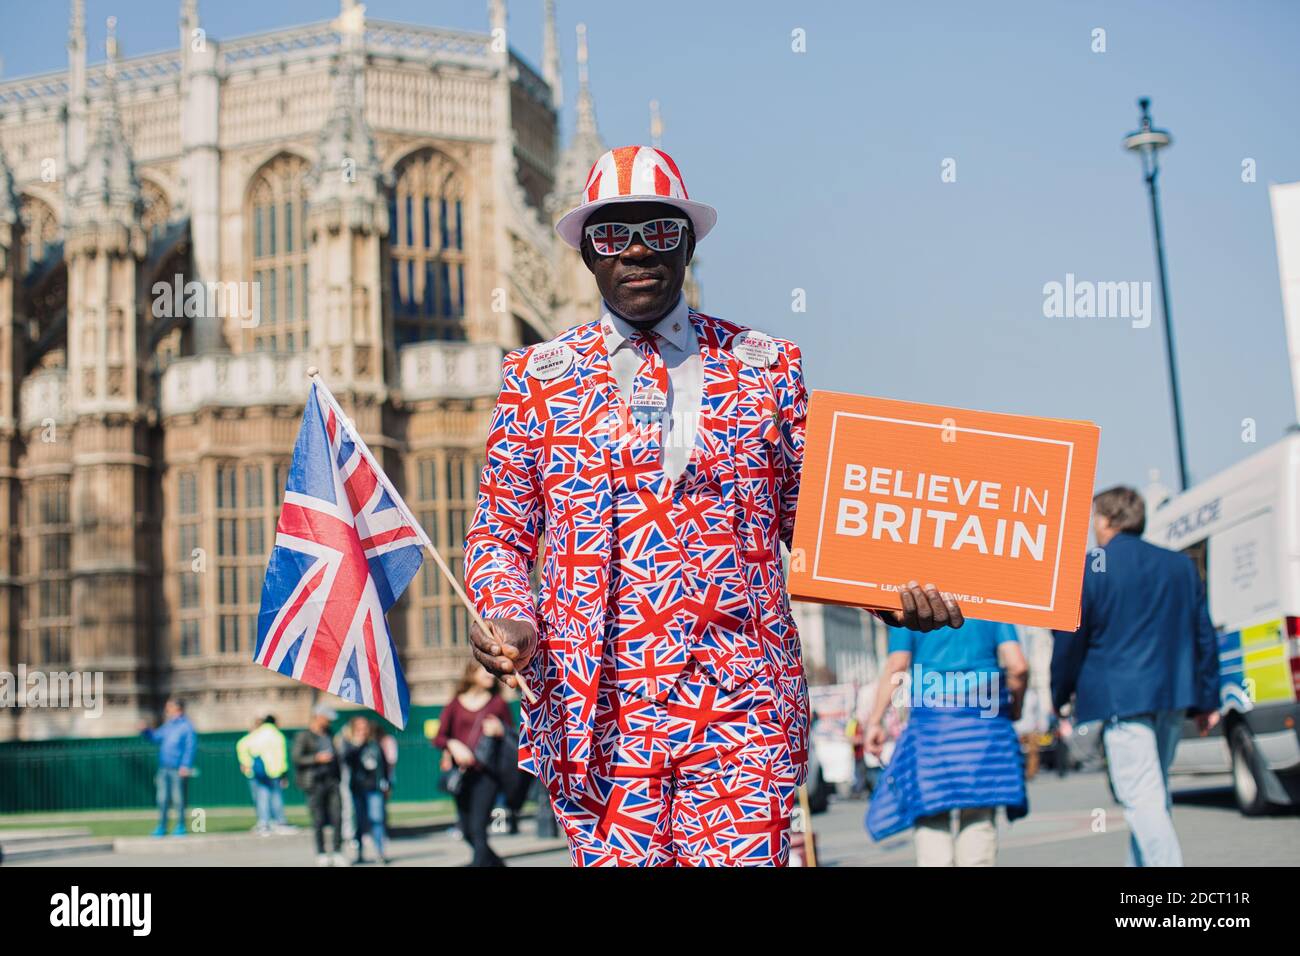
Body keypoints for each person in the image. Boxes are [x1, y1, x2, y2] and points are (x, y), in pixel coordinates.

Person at [463, 144, 961, 867]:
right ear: (585, 255)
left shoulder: (766, 365)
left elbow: (818, 520)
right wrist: (509, 611)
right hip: (598, 709)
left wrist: (892, 589)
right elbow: (501, 532)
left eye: (660, 232)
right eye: (612, 236)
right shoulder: (537, 379)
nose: (637, 252)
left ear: (690, 244)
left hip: (742, 699)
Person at [1051, 486, 1220, 867]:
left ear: (1106, 520)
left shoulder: (1092, 568)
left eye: (1095, 518)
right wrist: (1207, 700)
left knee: (1141, 797)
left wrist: (1059, 692)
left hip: (1121, 701)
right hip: (1175, 696)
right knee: (1153, 796)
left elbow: (1069, 641)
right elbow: (1203, 634)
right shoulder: (1178, 565)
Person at [865, 619, 1029, 866]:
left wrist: (875, 720)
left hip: (932, 726)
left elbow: (897, 664)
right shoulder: (991, 597)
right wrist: (1014, 707)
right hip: (984, 722)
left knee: (931, 810)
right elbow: (1018, 666)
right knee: (978, 812)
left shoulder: (910, 598)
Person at [433, 662, 512, 867]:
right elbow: (439, 737)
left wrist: (500, 730)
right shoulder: (455, 704)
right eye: (486, 670)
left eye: (493, 671)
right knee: (467, 830)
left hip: (487, 775)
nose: (491, 675)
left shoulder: (498, 704)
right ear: (471, 672)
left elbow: (512, 738)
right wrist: (453, 745)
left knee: (478, 829)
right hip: (462, 775)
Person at [293, 703, 346, 867]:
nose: (329, 722)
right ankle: (321, 853)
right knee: (318, 819)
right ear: (318, 717)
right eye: (327, 718)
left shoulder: (331, 735)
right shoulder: (304, 736)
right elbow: (297, 758)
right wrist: (316, 758)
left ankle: (337, 851)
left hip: (332, 781)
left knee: (337, 817)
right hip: (314, 782)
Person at [139, 697, 197, 838]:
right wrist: (146, 731)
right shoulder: (169, 725)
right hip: (164, 768)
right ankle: (162, 827)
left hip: (178, 769)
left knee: (179, 799)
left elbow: (190, 747)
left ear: (178, 708)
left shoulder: (186, 726)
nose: (167, 710)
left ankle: (181, 826)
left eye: (169, 707)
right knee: (162, 799)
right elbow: (156, 738)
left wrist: (185, 765)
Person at [340, 717, 391, 865]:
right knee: (360, 821)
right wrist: (357, 745)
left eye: (365, 728)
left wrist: (387, 784)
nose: (363, 731)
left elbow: (384, 765)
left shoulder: (375, 744)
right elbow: (346, 760)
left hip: (374, 788)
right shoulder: (350, 745)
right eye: (359, 728)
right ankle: (360, 853)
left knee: (377, 819)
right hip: (358, 788)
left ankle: (380, 852)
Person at [236, 714, 292, 835]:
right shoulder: (278, 735)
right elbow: (282, 756)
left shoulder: (256, 735)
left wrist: (246, 763)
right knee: (276, 797)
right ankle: (279, 822)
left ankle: (264, 823)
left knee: (262, 798)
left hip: (259, 772)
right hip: (275, 771)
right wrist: (284, 773)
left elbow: (242, 745)